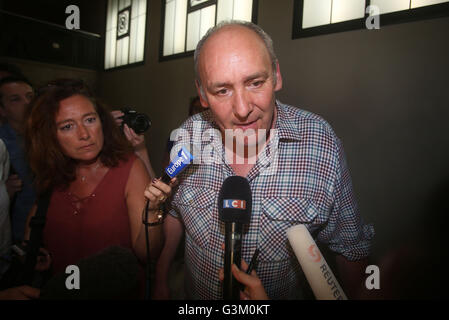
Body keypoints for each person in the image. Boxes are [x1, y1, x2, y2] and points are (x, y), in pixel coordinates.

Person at [153, 21, 374, 300]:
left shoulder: (320, 144)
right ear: (202, 94)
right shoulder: (188, 136)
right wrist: (160, 279)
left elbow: (351, 249)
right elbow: (173, 214)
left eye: (255, 83)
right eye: (222, 90)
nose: (243, 109)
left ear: (277, 76)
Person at [21, 79, 174, 287]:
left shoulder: (130, 168)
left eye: (90, 120)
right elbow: (31, 239)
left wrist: (152, 212)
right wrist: (33, 256)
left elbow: (148, 253)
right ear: (49, 135)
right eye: (67, 126)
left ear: (103, 122)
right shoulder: (50, 175)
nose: (84, 134)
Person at [0, 76, 36, 244]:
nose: (27, 103)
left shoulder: (54, 135)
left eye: (30, 96)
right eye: (16, 99)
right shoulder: (2, 144)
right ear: (2, 110)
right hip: (15, 237)